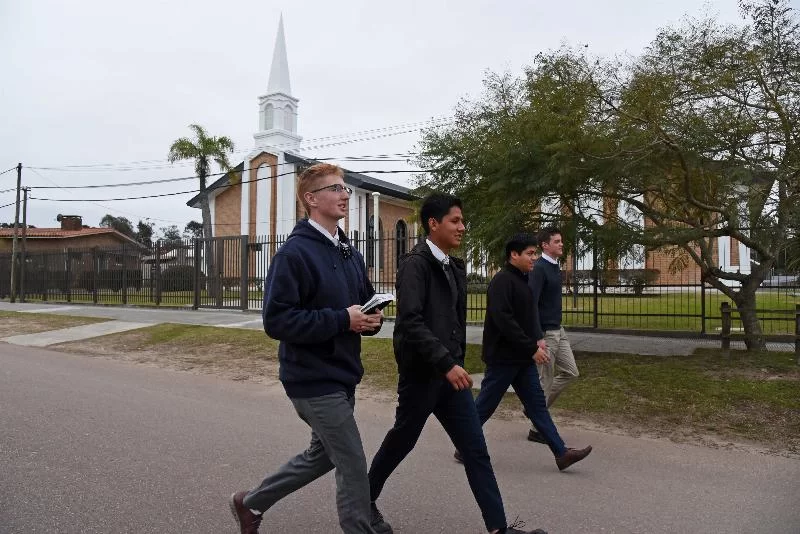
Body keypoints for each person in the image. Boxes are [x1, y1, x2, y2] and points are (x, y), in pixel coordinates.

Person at [367, 194, 547, 534]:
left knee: (476, 450)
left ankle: (499, 528)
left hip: (451, 379)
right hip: (423, 376)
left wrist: (455, 362)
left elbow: (451, 321)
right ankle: (363, 498)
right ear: (433, 224)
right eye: (455, 221)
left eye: (463, 221)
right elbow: (410, 322)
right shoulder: (414, 264)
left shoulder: (453, 265)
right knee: (401, 441)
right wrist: (446, 362)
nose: (463, 227)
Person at [229, 163, 384, 534]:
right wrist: (342, 320)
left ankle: (250, 503)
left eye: (346, 189)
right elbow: (277, 321)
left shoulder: (347, 250)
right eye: (336, 189)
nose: (346, 195)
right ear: (312, 199)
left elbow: (358, 305)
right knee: (351, 460)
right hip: (311, 378)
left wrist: (369, 319)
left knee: (323, 456)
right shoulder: (294, 254)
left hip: (343, 373)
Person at [453, 233, 591, 471]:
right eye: (529, 253)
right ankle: (464, 446)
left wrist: (538, 340)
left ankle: (561, 453)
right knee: (484, 406)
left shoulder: (525, 280)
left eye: (534, 253)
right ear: (513, 255)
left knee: (538, 407)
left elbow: (529, 316)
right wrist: (530, 347)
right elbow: (505, 321)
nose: (534, 258)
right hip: (503, 359)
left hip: (523, 359)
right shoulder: (502, 282)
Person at [526, 226, 581, 444]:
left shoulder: (554, 267)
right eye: (556, 241)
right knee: (545, 381)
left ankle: (533, 408)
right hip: (546, 333)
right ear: (545, 245)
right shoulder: (538, 268)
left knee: (571, 372)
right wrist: (537, 336)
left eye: (561, 241)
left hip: (559, 329)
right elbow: (531, 303)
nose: (561, 244)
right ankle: (536, 428)